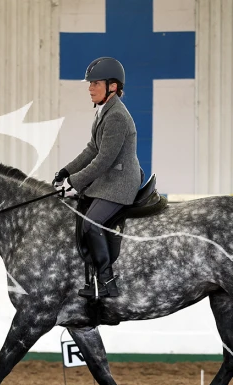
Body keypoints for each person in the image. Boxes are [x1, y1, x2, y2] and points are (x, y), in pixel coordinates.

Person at [54, 57, 142, 298]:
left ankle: (106, 281)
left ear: (112, 86)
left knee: (91, 222)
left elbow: (104, 160)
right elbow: (92, 149)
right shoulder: (104, 111)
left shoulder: (116, 116)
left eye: (95, 83)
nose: (90, 88)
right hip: (109, 177)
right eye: (90, 84)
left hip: (120, 181)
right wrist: (66, 171)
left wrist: (74, 182)